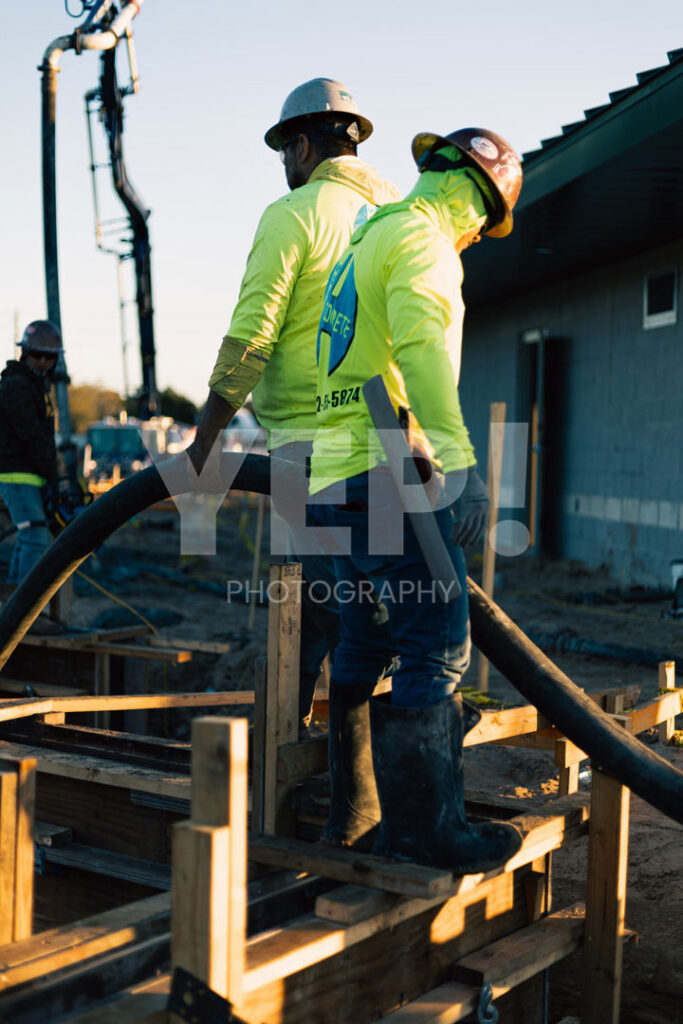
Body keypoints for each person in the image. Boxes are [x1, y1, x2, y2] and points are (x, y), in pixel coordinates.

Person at [308, 128, 525, 871]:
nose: (474, 236)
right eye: (482, 223)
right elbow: (422, 353)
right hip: (383, 468)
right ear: (474, 200)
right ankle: (426, 833)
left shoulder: (366, 240)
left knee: (365, 637)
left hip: (328, 472)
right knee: (435, 635)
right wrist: (462, 466)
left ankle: (355, 817)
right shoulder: (424, 244)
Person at [187, 79, 400, 733]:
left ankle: (287, 780)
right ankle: (367, 797)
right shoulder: (398, 216)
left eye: (286, 152)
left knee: (302, 617)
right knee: (371, 624)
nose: (285, 166)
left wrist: (205, 442)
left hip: (309, 450)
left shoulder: (297, 213)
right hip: (387, 450)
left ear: (304, 145)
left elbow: (252, 336)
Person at [0, 321, 61, 585]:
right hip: (16, 474)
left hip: (31, 474)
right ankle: (27, 619)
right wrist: (54, 475)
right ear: (24, 352)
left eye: (49, 356)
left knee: (29, 541)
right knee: (35, 539)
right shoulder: (16, 385)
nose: (43, 361)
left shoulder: (36, 385)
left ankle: (13, 614)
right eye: (37, 355)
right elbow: (33, 436)